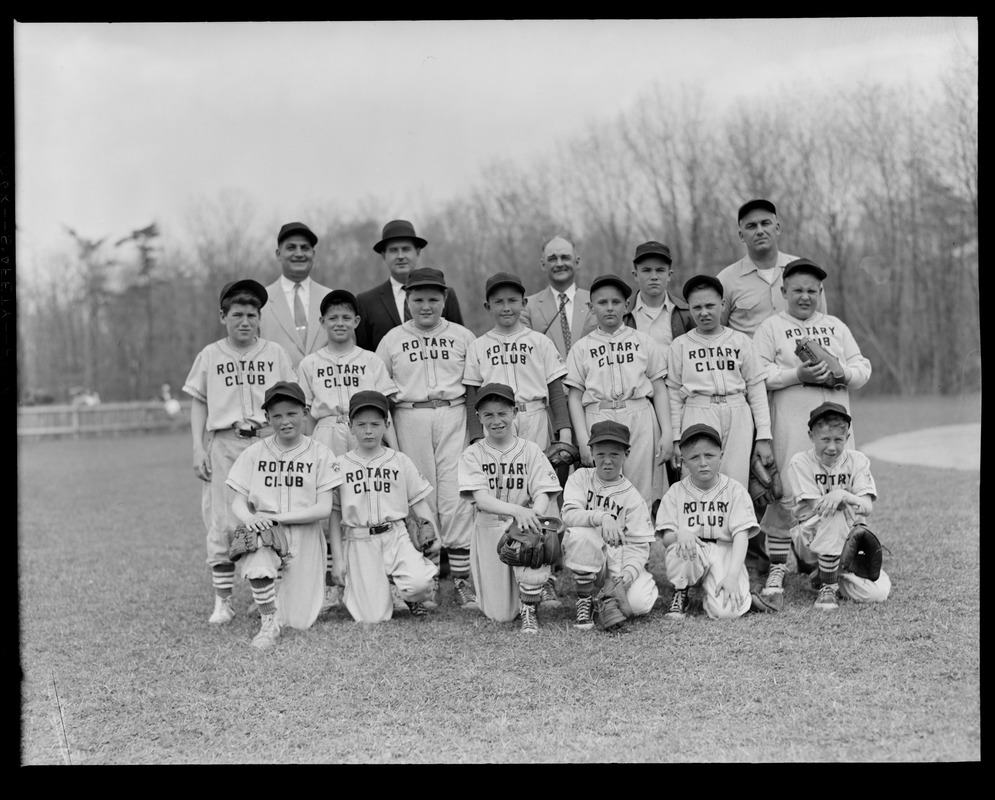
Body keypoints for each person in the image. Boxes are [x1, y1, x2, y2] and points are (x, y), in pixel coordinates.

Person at [716, 199, 828, 582]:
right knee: (762, 470)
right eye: (751, 225)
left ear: (778, 227)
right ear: (741, 232)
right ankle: (759, 554)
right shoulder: (728, 279)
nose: (759, 230)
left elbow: (820, 325)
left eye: (766, 223)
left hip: (799, 384)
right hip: (751, 387)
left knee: (804, 463)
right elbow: (721, 332)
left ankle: (811, 550)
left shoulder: (799, 270)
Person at [753, 259, 872, 606]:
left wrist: (842, 372)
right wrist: (797, 375)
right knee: (787, 493)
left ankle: (830, 567)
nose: (805, 297)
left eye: (811, 291)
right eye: (797, 290)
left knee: (835, 491)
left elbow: (862, 368)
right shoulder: (772, 327)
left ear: (820, 293)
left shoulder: (834, 326)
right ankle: (777, 566)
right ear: (784, 292)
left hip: (834, 426)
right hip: (791, 420)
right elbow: (758, 373)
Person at [182, 279, 296, 625]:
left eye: (251, 315)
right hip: (226, 442)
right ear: (223, 317)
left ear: (259, 318)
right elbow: (198, 404)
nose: (244, 321)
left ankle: (271, 591)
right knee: (222, 520)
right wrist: (198, 447)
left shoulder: (274, 353)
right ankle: (224, 600)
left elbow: (291, 400)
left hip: (266, 441)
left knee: (271, 513)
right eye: (236, 315)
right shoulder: (211, 354)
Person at [463, 272, 574, 607]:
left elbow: (556, 392)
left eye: (513, 300)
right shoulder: (479, 345)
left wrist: (564, 432)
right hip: (495, 421)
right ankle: (505, 568)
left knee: (541, 495)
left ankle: (547, 574)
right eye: (499, 301)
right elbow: (471, 398)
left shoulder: (539, 341)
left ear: (524, 303)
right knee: (503, 490)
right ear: (488, 306)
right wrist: (473, 438)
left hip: (534, 414)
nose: (506, 307)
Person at [375, 267, 479, 609]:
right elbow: (381, 395)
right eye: (418, 298)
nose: (426, 305)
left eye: (433, 298)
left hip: (452, 413)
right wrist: (389, 439)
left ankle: (463, 580)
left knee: (455, 495)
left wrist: (474, 433)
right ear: (407, 300)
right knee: (421, 496)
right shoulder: (391, 340)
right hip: (410, 415)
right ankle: (429, 578)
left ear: (445, 299)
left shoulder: (463, 336)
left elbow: (475, 387)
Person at [297, 288, 399, 613]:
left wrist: (394, 450)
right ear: (322, 322)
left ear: (356, 320)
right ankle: (330, 583)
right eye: (332, 318)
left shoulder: (370, 360)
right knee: (329, 506)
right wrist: (308, 453)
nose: (339, 323)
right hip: (327, 430)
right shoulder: (310, 363)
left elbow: (386, 412)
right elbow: (305, 414)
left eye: (345, 317)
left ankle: (385, 579)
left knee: (370, 502)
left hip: (364, 433)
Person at [225, 381, 337, 649]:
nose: (284, 421)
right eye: (276, 416)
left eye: (291, 413)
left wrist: (281, 518)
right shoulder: (254, 452)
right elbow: (237, 502)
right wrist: (250, 519)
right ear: (267, 418)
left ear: (305, 413)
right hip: (265, 528)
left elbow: (323, 509)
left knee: (300, 620)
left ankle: (272, 598)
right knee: (259, 557)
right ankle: (268, 619)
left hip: (304, 531)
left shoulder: (320, 452)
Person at [327, 390, 440, 622]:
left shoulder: (399, 460)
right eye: (361, 424)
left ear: (387, 424)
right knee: (372, 617)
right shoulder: (340, 465)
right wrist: (337, 559)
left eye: (375, 424)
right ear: (350, 426)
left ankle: (408, 591)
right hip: (359, 539)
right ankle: (385, 587)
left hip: (395, 535)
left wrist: (434, 534)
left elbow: (420, 503)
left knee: (421, 585)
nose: (368, 430)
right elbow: (334, 515)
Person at [457, 383, 563, 633]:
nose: (496, 420)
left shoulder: (531, 449)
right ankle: (519, 594)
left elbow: (543, 491)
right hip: (490, 527)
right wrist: (519, 511)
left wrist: (534, 516)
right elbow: (481, 500)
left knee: (532, 552)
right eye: (489, 414)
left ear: (514, 412)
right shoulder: (472, 454)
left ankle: (531, 603)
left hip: (523, 526)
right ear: (478, 417)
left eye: (502, 413)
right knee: (501, 615)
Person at [564, 273, 672, 511]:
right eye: (602, 303)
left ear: (626, 305)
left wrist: (667, 433)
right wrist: (583, 441)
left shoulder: (643, 341)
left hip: (639, 414)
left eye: (616, 302)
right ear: (591, 307)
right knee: (603, 488)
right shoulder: (581, 348)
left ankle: (639, 543)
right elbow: (574, 397)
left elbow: (659, 389)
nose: (610, 308)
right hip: (599, 417)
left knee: (640, 489)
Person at [666, 274, 774, 493]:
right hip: (698, 410)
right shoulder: (680, 345)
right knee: (697, 479)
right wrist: (676, 438)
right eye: (697, 307)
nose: (704, 312)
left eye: (710, 305)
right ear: (689, 308)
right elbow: (674, 395)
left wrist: (763, 434)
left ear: (723, 304)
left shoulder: (740, 340)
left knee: (736, 482)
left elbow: (755, 387)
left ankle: (736, 527)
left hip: (737, 410)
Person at [779, 402, 890, 610]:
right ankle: (828, 588)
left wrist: (843, 493)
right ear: (811, 436)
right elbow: (821, 506)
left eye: (838, 440)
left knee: (878, 592)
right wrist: (843, 498)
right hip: (810, 538)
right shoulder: (800, 461)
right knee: (833, 514)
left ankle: (824, 575)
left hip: (850, 543)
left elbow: (866, 506)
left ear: (847, 438)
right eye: (825, 439)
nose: (832, 447)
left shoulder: (857, 460)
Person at [560, 420, 659, 631]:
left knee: (638, 604)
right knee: (580, 534)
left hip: (619, 563)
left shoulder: (633, 497)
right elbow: (569, 514)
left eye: (614, 454)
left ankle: (605, 598)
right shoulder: (580, 478)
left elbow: (639, 546)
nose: (607, 461)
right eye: (601, 453)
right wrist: (602, 517)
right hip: (591, 557)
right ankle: (585, 601)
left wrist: (628, 575)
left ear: (626, 454)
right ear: (591, 451)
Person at [655, 423, 758, 620]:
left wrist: (732, 576)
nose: (703, 462)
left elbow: (741, 537)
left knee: (727, 612)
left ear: (721, 455)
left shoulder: (735, 490)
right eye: (694, 457)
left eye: (709, 455)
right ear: (684, 461)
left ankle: (715, 592)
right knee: (681, 545)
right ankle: (681, 591)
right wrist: (680, 534)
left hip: (724, 550)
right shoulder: (676, 492)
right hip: (693, 550)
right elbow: (667, 538)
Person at [355, 219, 465, 352]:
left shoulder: (443, 295)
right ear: (384, 255)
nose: (400, 256)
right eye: (393, 250)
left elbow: (460, 341)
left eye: (406, 249)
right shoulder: (366, 302)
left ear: (417, 252)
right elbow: (364, 355)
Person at [258, 222, 332, 370]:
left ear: (313, 254)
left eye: (305, 248)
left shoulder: (332, 299)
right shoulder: (260, 301)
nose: (299, 254)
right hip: (276, 390)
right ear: (278, 254)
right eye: (291, 248)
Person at [521, 234, 598, 361]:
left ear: (577, 262)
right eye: (552, 259)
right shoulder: (527, 307)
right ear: (543, 265)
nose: (559, 263)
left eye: (565, 257)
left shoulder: (597, 302)